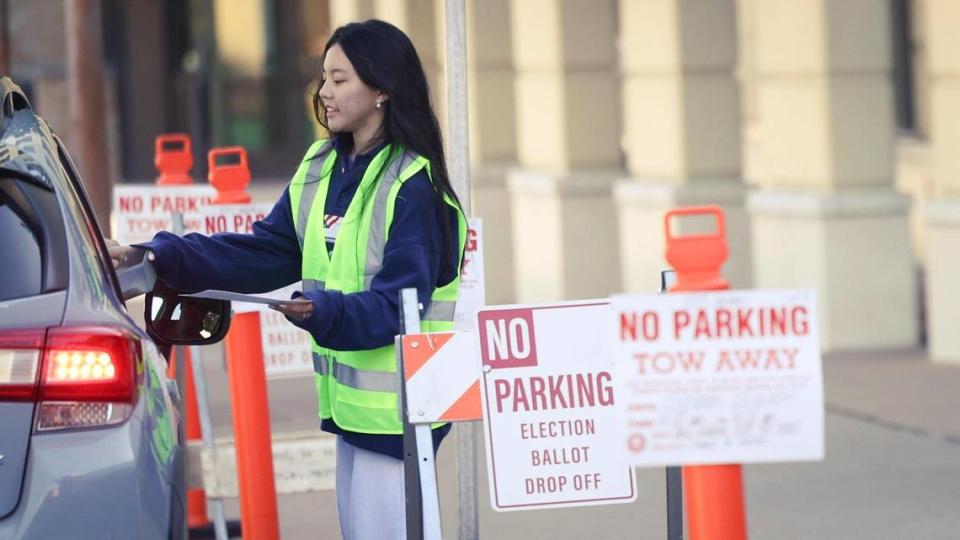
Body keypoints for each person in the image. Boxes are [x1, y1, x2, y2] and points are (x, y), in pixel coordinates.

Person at [109, 19, 466, 540]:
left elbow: (399, 305)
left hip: (402, 422)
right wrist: (159, 254)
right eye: (324, 78)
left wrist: (325, 313)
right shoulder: (324, 163)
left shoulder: (415, 186)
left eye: (340, 80)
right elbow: (264, 252)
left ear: (383, 89)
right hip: (354, 418)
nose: (325, 92)